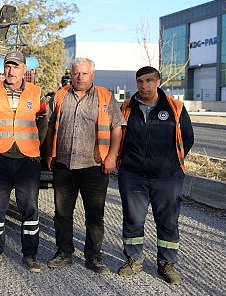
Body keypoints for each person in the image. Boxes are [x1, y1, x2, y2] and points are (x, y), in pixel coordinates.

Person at [45, 57, 124, 274]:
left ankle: (94, 257)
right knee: (62, 214)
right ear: (70, 74)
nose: (79, 77)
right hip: (64, 165)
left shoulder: (105, 97)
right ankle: (64, 252)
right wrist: (50, 153)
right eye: (76, 73)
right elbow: (51, 126)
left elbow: (117, 129)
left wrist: (111, 157)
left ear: (92, 75)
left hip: (95, 166)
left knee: (94, 215)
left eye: (84, 73)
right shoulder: (60, 95)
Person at [117, 66, 194, 285]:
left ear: (158, 81)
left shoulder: (175, 108)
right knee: (133, 220)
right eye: (140, 81)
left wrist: (170, 162)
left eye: (149, 80)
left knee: (168, 222)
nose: (144, 85)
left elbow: (187, 138)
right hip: (133, 175)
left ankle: (166, 264)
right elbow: (118, 136)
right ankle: (134, 259)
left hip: (167, 177)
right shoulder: (126, 108)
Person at [0, 52, 47, 272]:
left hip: (28, 160)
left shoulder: (37, 93)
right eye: (8, 66)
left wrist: (36, 145)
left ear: (23, 69)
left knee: (29, 208)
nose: (11, 71)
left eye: (16, 67)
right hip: (0, 158)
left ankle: (30, 254)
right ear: (3, 69)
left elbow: (44, 122)